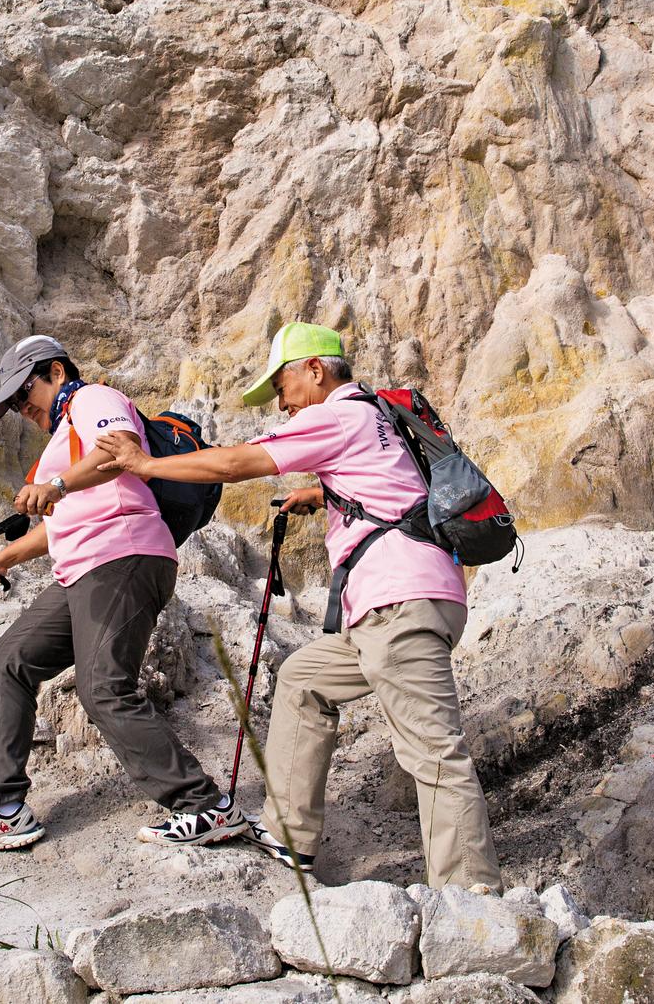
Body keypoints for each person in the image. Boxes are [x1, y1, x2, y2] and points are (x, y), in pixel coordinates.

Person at [97, 322, 503, 890]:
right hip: (407, 599)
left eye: (282, 387)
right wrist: (325, 492)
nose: (284, 405)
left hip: (401, 602)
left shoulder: (334, 414)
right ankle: (291, 837)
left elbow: (233, 464)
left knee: (435, 753)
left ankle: (470, 898)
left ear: (314, 369)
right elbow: (398, 486)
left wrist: (145, 466)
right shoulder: (374, 411)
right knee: (302, 679)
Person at [0, 334, 245, 857]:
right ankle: (3, 811)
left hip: (123, 557)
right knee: (7, 661)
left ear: (53, 371)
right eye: (11, 403)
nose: (20, 408)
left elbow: (121, 452)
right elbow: (60, 524)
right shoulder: (61, 445)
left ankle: (205, 808)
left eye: (22, 392)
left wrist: (55, 484)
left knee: (103, 688)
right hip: (81, 571)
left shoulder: (92, 399)